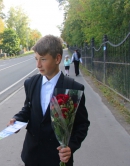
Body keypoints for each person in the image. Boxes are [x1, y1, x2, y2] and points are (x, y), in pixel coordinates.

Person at [8, 35, 90, 166]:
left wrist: (71, 147)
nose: (38, 65)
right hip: (32, 156)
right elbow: (28, 108)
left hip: (57, 158)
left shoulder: (73, 88)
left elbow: (82, 124)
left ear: (57, 58)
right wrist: (17, 119)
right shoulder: (31, 83)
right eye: (36, 59)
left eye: (43, 59)